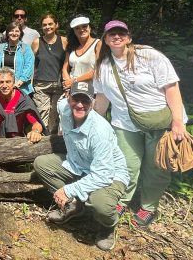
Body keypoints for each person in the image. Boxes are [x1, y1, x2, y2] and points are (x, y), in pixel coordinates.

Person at [93, 20, 188, 228]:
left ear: (128, 37)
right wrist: (92, 123)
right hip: (125, 124)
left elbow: (171, 88)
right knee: (126, 165)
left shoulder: (150, 56)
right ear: (105, 39)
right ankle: (122, 200)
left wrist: (178, 121)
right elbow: (101, 99)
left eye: (121, 33)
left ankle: (148, 206)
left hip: (159, 121)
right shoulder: (103, 66)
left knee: (156, 167)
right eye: (112, 34)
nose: (116, 37)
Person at [33, 82, 129, 251]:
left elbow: (103, 175)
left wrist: (68, 190)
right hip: (78, 166)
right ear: (68, 97)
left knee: (100, 204)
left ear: (92, 102)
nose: (79, 105)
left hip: (110, 175)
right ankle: (75, 207)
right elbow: (62, 105)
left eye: (84, 100)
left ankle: (108, 227)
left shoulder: (99, 131)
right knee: (42, 164)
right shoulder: (64, 108)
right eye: (75, 98)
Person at [0, 67, 44, 143]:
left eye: (8, 82)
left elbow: (36, 123)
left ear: (13, 83)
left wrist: (35, 132)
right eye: (1, 82)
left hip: (20, 139)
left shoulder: (23, 100)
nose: (4, 85)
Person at [32, 14, 68, 134]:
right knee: (42, 112)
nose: (47, 27)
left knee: (56, 114)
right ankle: (41, 138)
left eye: (50, 24)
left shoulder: (63, 41)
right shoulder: (37, 42)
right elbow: (32, 64)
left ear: (56, 25)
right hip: (41, 84)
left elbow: (69, 62)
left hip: (59, 84)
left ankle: (52, 140)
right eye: (44, 25)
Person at [0, 22, 35, 95]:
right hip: (3, 88)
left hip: (21, 88)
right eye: (11, 31)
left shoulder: (26, 48)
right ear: (7, 33)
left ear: (20, 33)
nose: (14, 33)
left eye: (17, 31)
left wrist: (18, 83)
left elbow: (29, 67)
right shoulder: (0, 47)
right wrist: (0, 80)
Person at [62, 15, 102, 93]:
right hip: (73, 91)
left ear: (90, 27)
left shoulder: (98, 44)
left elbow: (98, 71)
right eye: (77, 28)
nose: (81, 30)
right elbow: (65, 68)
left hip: (92, 92)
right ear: (73, 31)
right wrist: (67, 84)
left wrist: (73, 81)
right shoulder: (71, 46)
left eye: (84, 26)